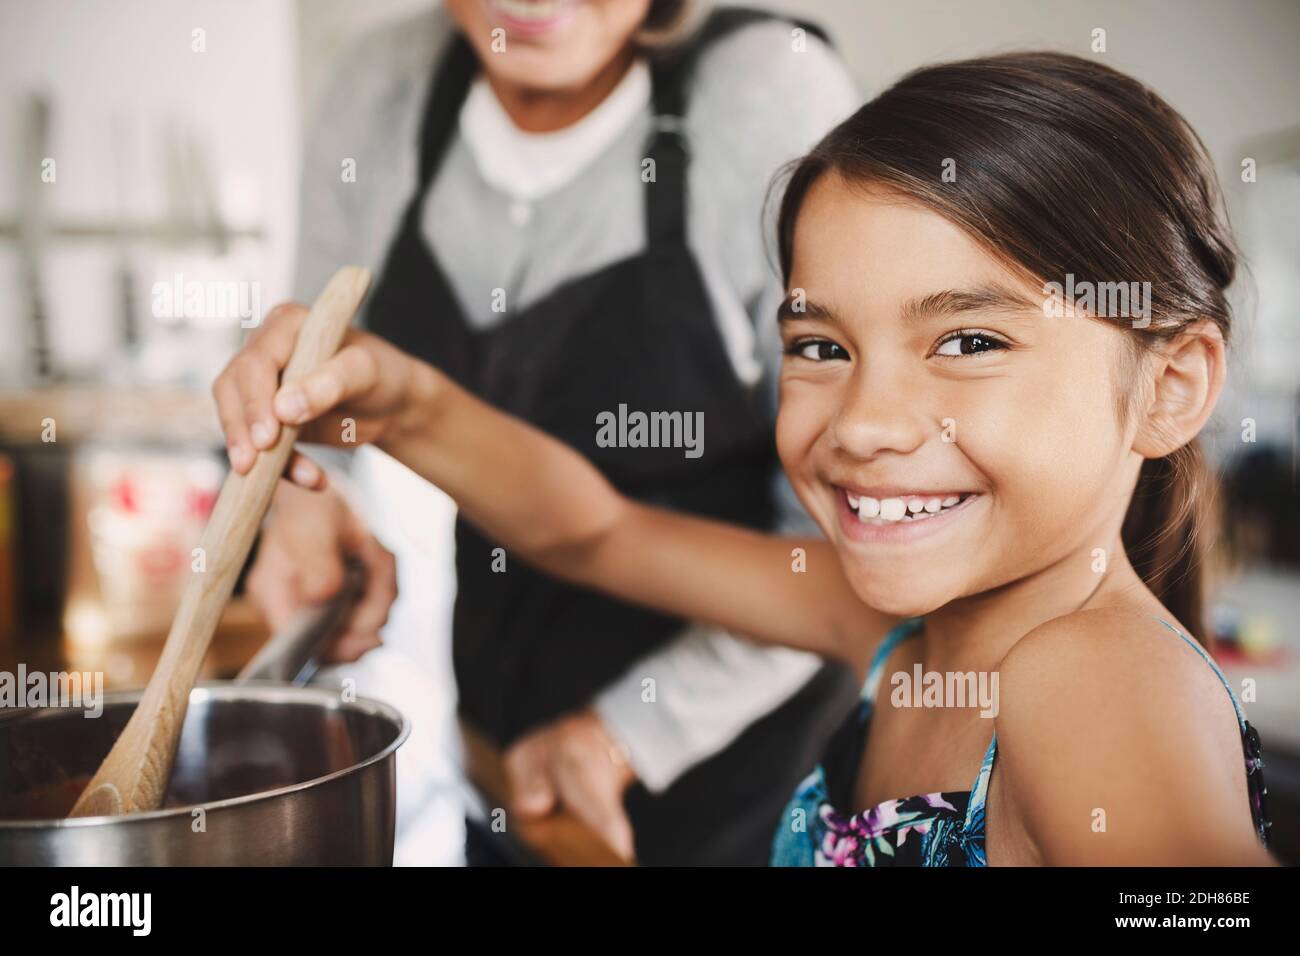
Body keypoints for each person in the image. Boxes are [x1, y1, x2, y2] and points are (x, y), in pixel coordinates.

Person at [217, 51, 1276, 865]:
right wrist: (394, 396)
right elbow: (595, 530)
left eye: (967, 341)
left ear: (1170, 385)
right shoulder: (893, 627)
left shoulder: (1088, 678)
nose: (862, 422)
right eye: (820, 346)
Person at [232, 0, 862, 863]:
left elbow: (837, 558)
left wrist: (623, 732)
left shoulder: (766, 93)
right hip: (500, 749)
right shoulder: (382, 87)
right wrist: (306, 501)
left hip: (749, 772)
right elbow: (312, 375)